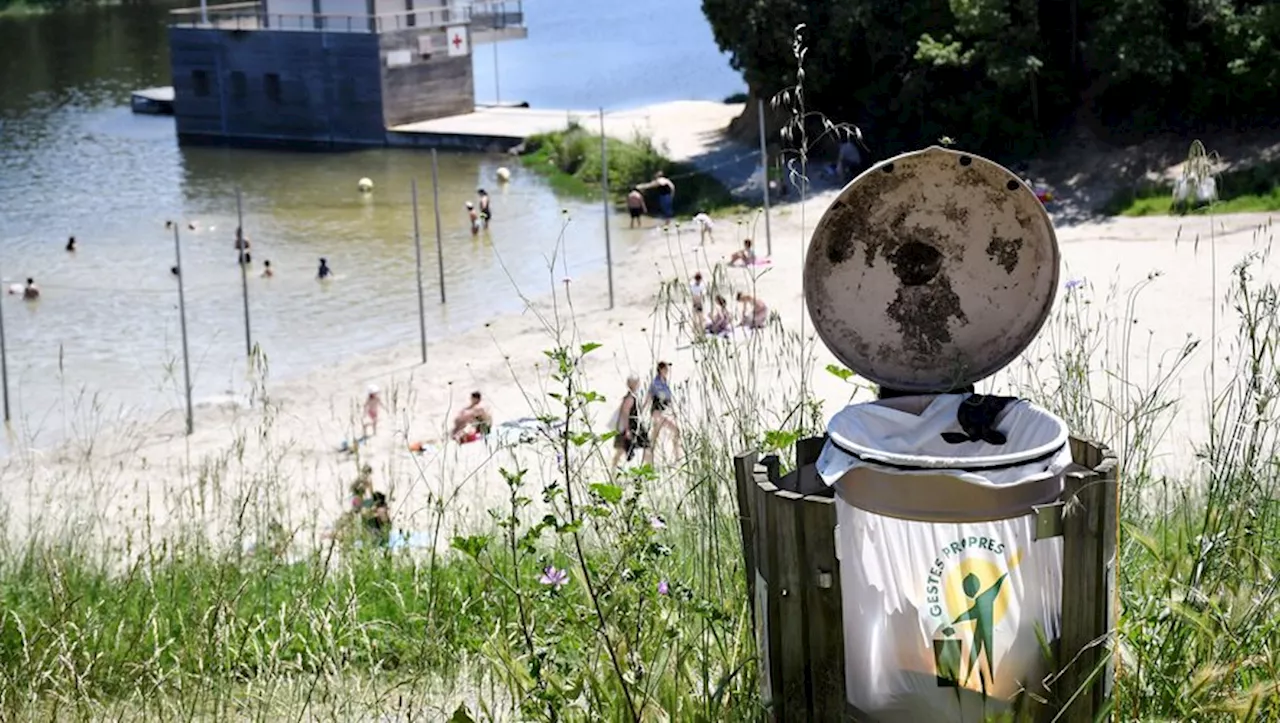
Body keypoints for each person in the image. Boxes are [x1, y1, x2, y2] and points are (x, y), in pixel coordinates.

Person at [646, 362, 682, 464]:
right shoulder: (656, 383)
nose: (667, 371)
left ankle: (649, 461)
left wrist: (673, 410)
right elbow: (649, 396)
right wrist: (642, 410)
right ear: (661, 370)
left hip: (663, 412)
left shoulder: (664, 382)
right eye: (665, 369)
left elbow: (668, 400)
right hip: (658, 413)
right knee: (675, 430)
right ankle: (677, 457)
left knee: (654, 437)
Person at [611, 374, 649, 466]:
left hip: (633, 425)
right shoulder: (630, 398)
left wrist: (647, 402)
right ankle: (613, 470)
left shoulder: (632, 396)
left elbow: (638, 412)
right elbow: (625, 414)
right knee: (621, 450)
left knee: (646, 447)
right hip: (630, 427)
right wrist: (627, 430)